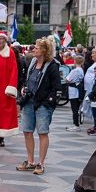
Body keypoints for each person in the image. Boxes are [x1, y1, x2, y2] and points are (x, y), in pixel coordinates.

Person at [16, 38, 61, 176]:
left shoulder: (52, 65)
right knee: (27, 131)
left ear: (44, 50)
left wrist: (48, 103)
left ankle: (41, 163)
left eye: (37, 47)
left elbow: (56, 87)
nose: (34, 49)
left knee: (42, 132)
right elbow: (26, 79)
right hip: (29, 102)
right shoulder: (32, 62)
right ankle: (30, 162)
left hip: (43, 104)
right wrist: (24, 89)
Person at [65, 55, 85, 131]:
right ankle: (76, 124)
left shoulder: (75, 70)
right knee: (76, 108)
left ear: (75, 61)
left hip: (73, 91)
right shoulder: (81, 70)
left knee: (74, 109)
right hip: (78, 90)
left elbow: (67, 79)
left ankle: (76, 125)